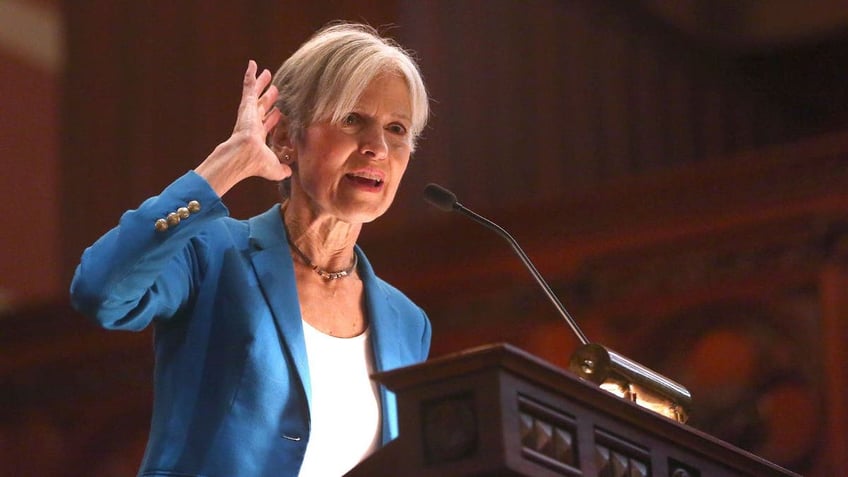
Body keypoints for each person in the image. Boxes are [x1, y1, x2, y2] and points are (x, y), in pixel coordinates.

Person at [70, 22, 431, 477]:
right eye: (351, 119)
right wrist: (225, 165)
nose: (377, 147)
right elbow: (100, 292)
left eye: (396, 129)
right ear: (285, 138)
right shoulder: (212, 253)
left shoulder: (408, 323)